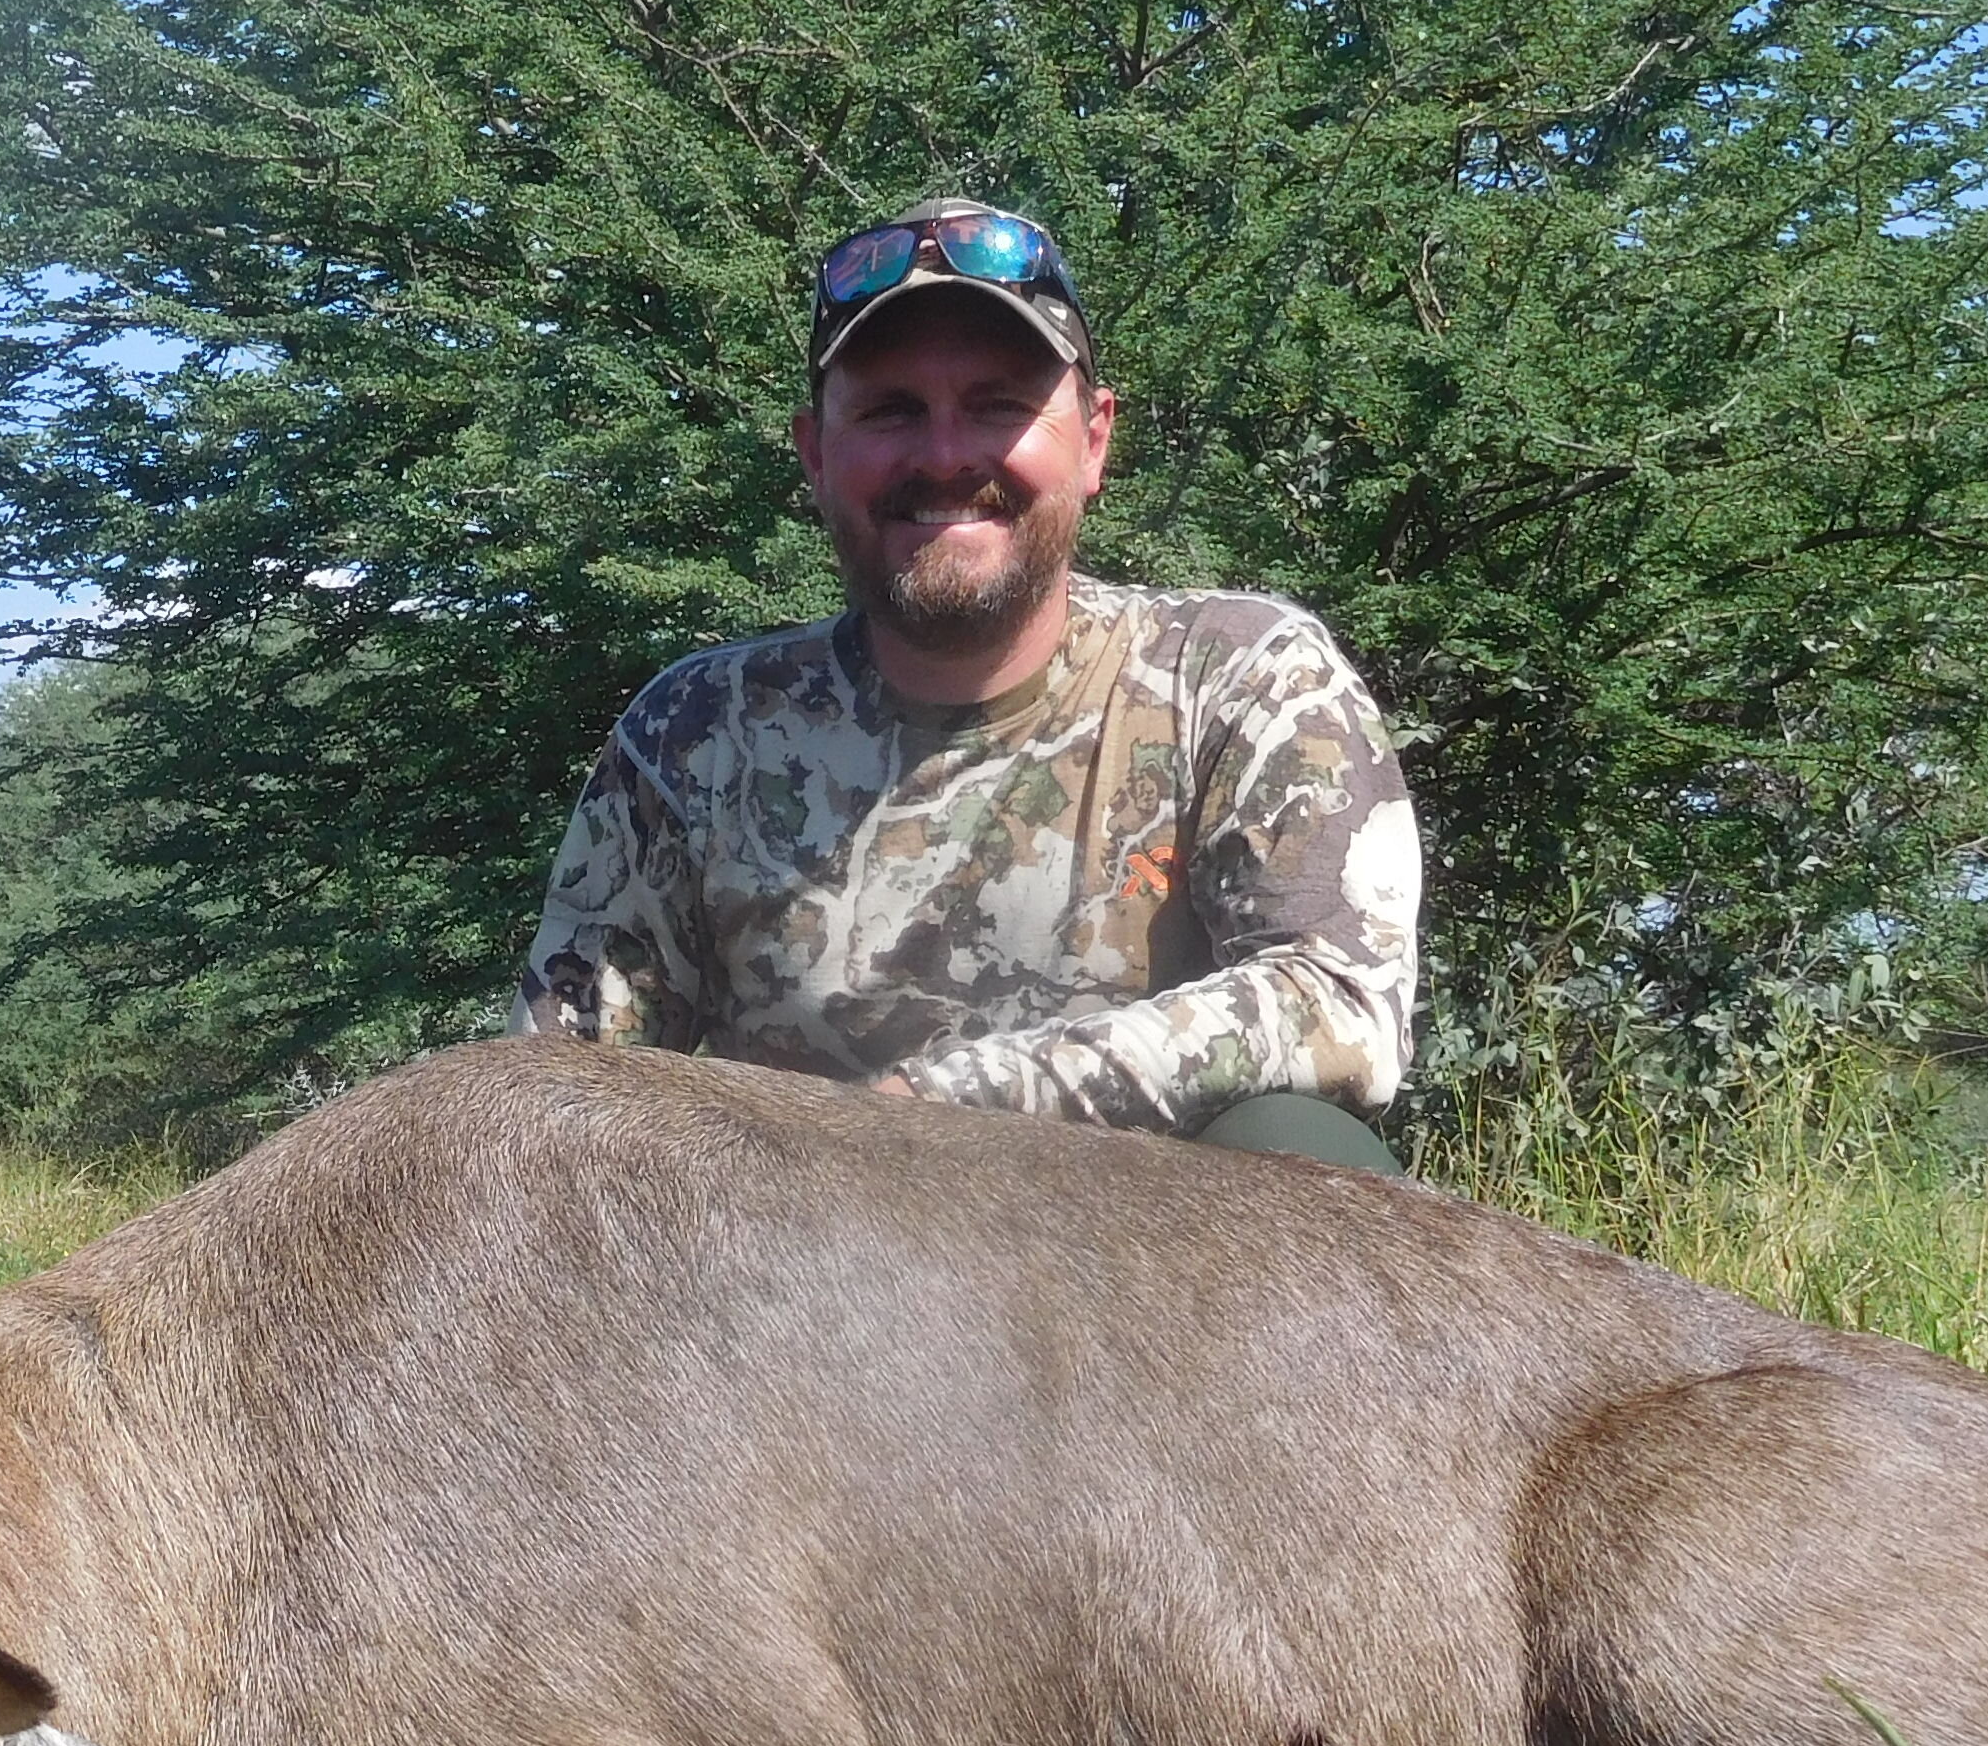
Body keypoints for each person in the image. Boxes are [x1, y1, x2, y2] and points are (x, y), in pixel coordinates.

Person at [518, 195, 1418, 1167]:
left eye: (998, 405)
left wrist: (932, 1112)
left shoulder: (1236, 679)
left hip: (1155, 1290)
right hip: (797, 1283)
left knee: (1305, 1145)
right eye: (891, 410)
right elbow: (554, 1094)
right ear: (816, 454)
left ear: (1095, 441)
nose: (946, 456)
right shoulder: (698, 733)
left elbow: (1339, 1006)